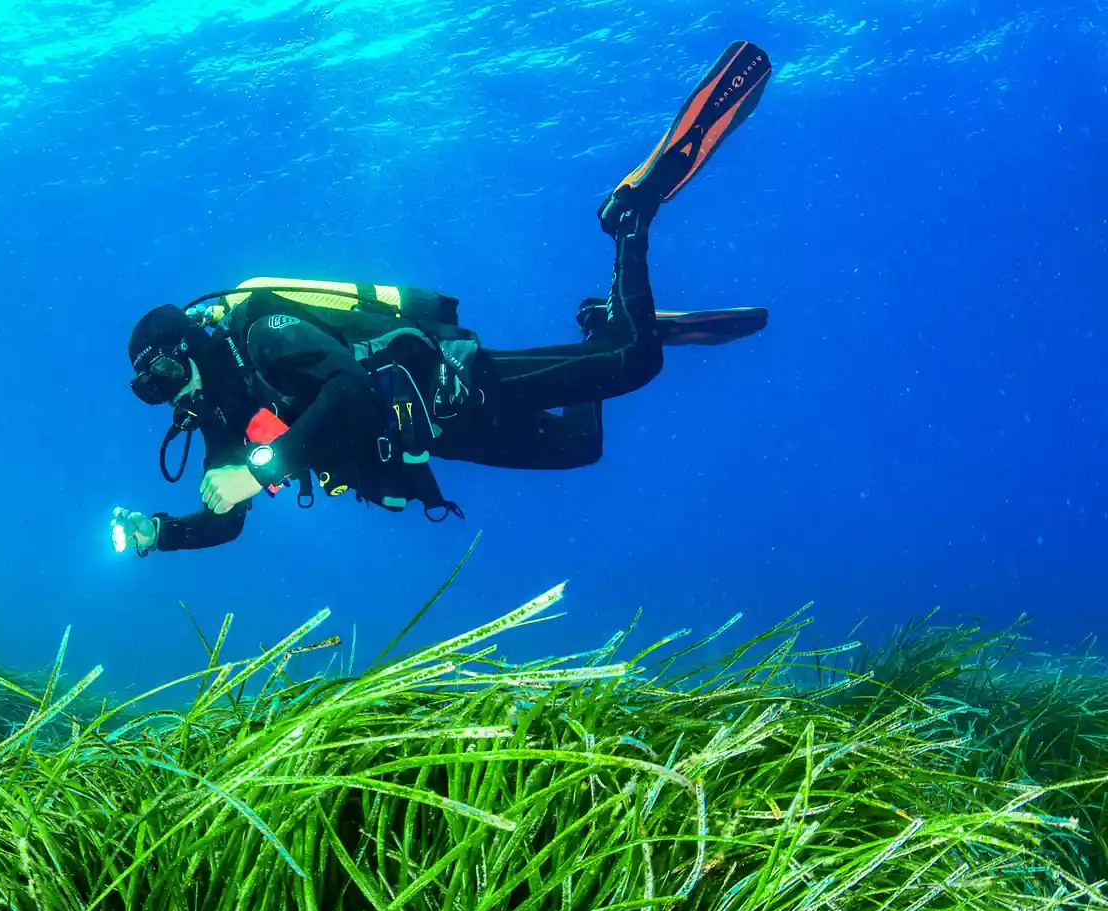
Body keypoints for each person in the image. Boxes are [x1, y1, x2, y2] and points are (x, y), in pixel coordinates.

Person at [112, 40, 774, 557]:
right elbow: (226, 521)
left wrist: (260, 473)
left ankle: (630, 215)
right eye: (150, 392)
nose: (166, 397)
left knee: (637, 362)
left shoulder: (263, 334)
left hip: (453, 386)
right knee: (580, 445)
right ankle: (603, 324)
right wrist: (158, 532)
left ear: (187, 347)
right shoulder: (223, 412)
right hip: (438, 436)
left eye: (162, 376)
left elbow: (348, 389)